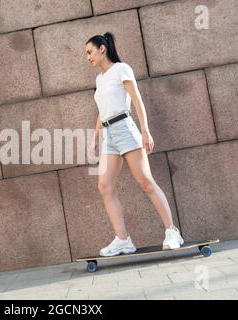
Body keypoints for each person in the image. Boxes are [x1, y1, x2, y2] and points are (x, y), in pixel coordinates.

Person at [85, 32, 184, 257]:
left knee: (145, 182)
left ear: (102, 49)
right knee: (104, 186)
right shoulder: (99, 80)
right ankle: (123, 240)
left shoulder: (122, 69)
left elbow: (137, 100)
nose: (88, 57)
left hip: (125, 128)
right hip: (109, 132)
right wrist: (94, 139)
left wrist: (145, 131)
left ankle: (172, 231)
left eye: (89, 52)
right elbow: (101, 112)